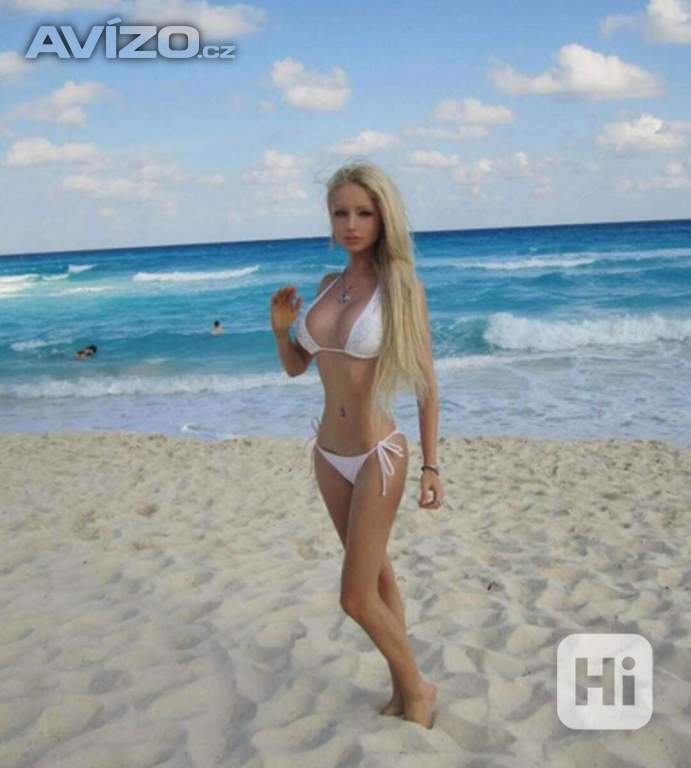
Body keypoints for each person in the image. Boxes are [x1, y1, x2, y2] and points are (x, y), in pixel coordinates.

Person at [270, 161, 443, 729]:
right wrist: (281, 330)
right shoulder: (326, 286)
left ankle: (417, 688)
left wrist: (432, 466)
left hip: (378, 454)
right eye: (340, 212)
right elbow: (297, 367)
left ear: (383, 217)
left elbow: (426, 383)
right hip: (327, 454)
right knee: (379, 580)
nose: (350, 224)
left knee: (354, 596)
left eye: (363, 213)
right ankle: (402, 691)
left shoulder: (401, 288)